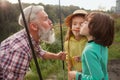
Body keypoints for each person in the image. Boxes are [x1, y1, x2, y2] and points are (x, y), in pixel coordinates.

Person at [0, 5, 66, 80]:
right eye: (45, 19)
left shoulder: (29, 36)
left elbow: (39, 51)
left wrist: (57, 56)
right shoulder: (20, 51)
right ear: (34, 26)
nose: (50, 22)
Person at [68, 12, 114, 80]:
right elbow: (98, 59)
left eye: (85, 23)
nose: (82, 24)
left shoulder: (89, 51)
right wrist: (82, 58)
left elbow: (97, 78)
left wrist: (76, 75)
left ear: (94, 29)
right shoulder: (101, 45)